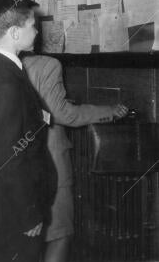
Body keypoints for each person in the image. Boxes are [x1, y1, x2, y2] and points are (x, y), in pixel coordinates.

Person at [0, 0, 55, 262]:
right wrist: (27, 213)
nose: (37, 30)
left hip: (4, 206)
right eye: (32, 25)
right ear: (15, 32)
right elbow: (9, 157)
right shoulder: (5, 82)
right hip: (13, 211)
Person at [22, 54, 129, 262]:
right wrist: (110, 111)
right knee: (59, 234)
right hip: (50, 159)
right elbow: (63, 114)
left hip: (19, 160)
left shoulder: (0, 60)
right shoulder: (48, 64)